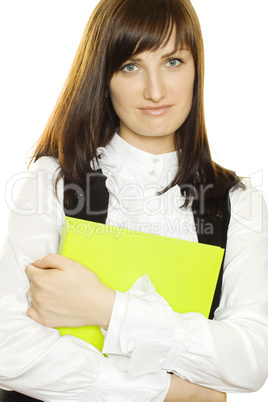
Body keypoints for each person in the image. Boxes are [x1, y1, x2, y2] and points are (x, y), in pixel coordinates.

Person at [0, 0, 268, 400]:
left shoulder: (237, 202)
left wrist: (107, 308)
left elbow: (250, 360)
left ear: (197, 70)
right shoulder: (53, 182)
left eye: (173, 62)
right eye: (131, 66)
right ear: (103, 77)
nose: (155, 90)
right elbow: (8, 348)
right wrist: (169, 392)